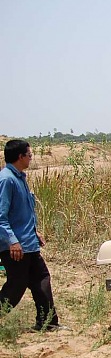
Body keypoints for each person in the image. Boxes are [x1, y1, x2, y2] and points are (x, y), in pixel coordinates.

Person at [0, 139, 60, 331]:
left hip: (29, 243)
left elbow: (24, 212)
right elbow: (1, 217)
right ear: (20, 157)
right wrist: (13, 242)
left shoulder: (20, 178)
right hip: (16, 247)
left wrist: (35, 231)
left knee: (41, 279)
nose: (31, 158)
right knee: (17, 285)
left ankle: (47, 322)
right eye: (29, 155)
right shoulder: (6, 179)